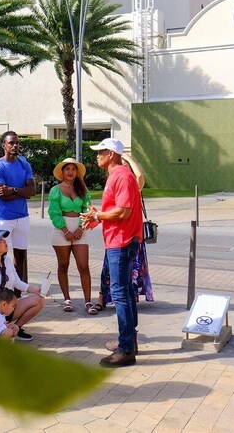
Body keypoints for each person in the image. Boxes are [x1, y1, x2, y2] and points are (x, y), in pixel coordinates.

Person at [81, 138, 142, 368]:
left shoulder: (122, 176)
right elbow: (115, 210)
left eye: (102, 151)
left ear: (113, 154)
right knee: (124, 291)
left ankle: (125, 348)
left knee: (119, 294)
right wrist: (98, 215)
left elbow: (124, 211)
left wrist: (98, 216)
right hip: (119, 240)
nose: (98, 155)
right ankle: (129, 342)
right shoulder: (116, 175)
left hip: (122, 241)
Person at [96, 152, 154, 310]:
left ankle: (127, 334)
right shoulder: (118, 178)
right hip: (116, 238)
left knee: (123, 288)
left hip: (125, 238)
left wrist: (128, 159)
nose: (97, 156)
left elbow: (123, 211)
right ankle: (103, 297)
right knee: (115, 278)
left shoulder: (128, 179)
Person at [0, 227, 45, 341]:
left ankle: (17, 328)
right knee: (2, 335)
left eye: (3, 238)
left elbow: (17, 282)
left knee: (39, 300)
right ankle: (0, 332)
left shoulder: (7, 261)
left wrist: (35, 290)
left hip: (7, 310)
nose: (4, 241)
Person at [48, 158, 95, 315]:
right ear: (62, 172)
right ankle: (67, 299)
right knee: (63, 265)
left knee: (83, 265)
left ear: (77, 172)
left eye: (73, 169)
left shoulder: (82, 189)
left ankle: (88, 301)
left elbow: (87, 209)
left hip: (80, 228)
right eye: (67, 168)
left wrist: (82, 228)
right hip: (62, 229)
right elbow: (54, 213)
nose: (70, 171)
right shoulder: (56, 190)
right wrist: (66, 231)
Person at [0, 131, 35, 283]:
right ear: (4, 145)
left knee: (20, 255)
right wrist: (23, 192)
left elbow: (32, 191)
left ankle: (17, 290)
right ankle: (0, 286)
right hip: (4, 218)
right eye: (11, 143)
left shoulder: (24, 164)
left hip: (22, 217)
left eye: (17, 143)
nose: (15, 146)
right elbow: (2, 195)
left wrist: (13, 189)